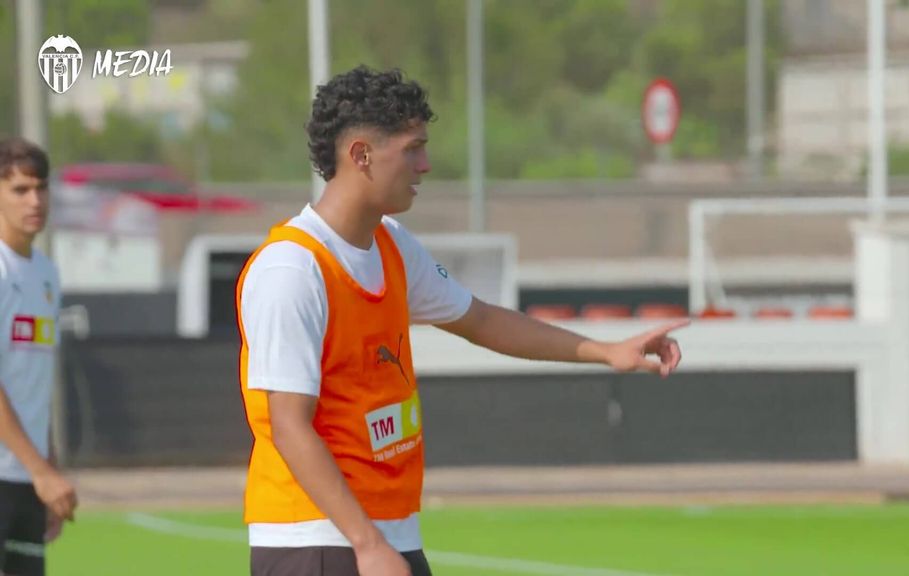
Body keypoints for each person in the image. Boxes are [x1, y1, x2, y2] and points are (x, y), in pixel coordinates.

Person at [236, 65, 686, 576]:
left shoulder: (392, 245)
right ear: (360, 154)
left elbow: (483, 320)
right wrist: (364, 543)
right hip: (317, 540)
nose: (425, 165)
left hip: (386, 533)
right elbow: (290, 427)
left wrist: (607, 351)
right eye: (412, 148)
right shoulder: (291, 268)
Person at [0, 137, 77, 576]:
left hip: (26, 479)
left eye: (42, 188)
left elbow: (34, 380)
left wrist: (46, 468)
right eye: (20, 189)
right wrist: (41, 472)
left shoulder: (46, 273)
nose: (35, 200)